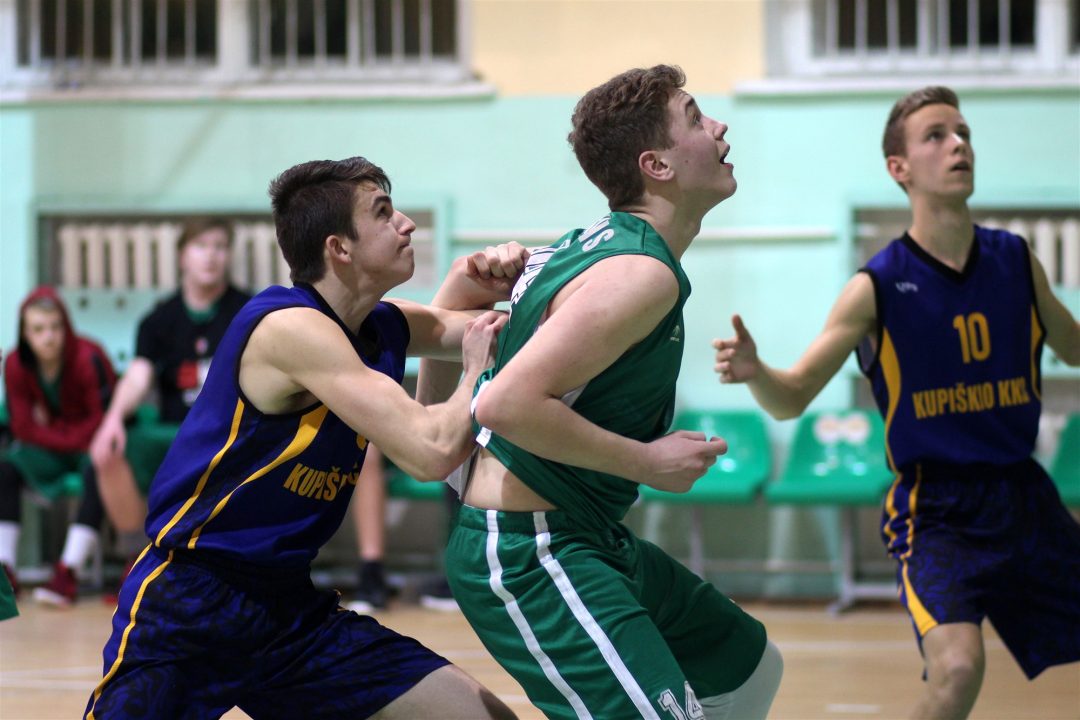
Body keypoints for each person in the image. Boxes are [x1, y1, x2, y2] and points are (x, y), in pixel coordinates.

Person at [85, 156, 522, 720]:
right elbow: (431, 450)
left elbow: (485, 333)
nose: (407, 224)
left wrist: (511, 279)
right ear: (339, 248)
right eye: (383, 213)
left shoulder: (381, 323)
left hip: (289, 610)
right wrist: (476, 372)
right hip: (192, 600)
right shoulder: (289, 327)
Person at [713, 86, 1080, 719]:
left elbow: (1073, 348)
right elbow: (791, 397)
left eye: (963, 132)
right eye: (936, 135)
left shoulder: (1016, 262)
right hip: (937, 511)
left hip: (1023, 496)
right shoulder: (877, 285)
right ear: (899, 168)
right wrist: (755, 372)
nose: (958, 144)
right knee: (957, 670)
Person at [435, 65, 783, 720]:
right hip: (531, 546)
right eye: (696, 117)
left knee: (746, 666)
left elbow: (458, 349)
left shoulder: (582, 249)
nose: (719, 126)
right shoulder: (639, 273)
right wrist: (648, 462)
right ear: (657, 165)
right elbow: (504, 404)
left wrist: (456, 292)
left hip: (584, 532)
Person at [88, 219, 250, 580]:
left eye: (220, 247)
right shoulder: (159, 320)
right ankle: (139, 552)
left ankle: (232, 560)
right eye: (201, 246)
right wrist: (112, 418)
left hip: (230, 428)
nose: (211, 256)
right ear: (182, 257)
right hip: (175, 430)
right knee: (112, 448)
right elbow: (138, 375)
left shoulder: (249, 311)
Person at [0, 287, 116, 606]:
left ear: (66, 327)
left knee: (100, 470)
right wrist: (63, 436)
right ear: (25, 334)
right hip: (56, 447)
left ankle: (69, 572)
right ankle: (5, 571)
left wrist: (54, 432)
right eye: (38, 329)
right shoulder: (15, 364)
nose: (48, 337)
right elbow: (22, 427)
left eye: (55, 327)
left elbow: (103, 420)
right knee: (6, 468)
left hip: (90, 447)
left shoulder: (90, 357)